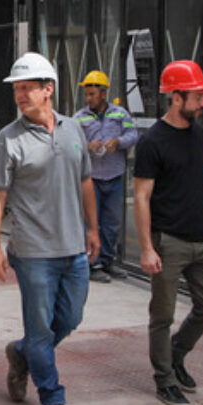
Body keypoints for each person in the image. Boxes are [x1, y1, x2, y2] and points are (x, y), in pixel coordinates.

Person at [0, 52, 98, 405]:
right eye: (16, 89)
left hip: (74, 248)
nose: (19, 95)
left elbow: (86, 181)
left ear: (48, 89)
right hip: (32, 253)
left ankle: (20, 354)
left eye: (26, 87)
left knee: (70, 319)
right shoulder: (7, 140)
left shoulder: (73, 130)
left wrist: (94, 229)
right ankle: (53, 400)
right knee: (40, 330)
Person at [133, 60, 203, 405]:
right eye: (198, 96)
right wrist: (146, 248)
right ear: (176, 98)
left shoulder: (201, 136)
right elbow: (141, 197)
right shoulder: (152, 142)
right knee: (163, 315)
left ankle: (176, 355)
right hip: (168, 242)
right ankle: (164, 379)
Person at [74, 70, 139, 282]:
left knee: (112, 222)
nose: (88, 98)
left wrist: (119, 142)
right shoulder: (79, 118)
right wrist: (86, 146)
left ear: (103, 94)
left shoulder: (120, 114)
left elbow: (133, 134)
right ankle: (93, 264)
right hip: (91, 179)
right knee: (92, 223)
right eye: (87, 94)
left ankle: (108, 261)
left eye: (92, 94)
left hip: (114, 176)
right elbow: (70, 143)